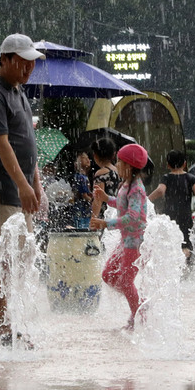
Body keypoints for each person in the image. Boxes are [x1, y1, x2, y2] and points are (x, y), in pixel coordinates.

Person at [0, 33, 45, 347]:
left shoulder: (20, 93)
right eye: (22, 62)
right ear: (4, 59)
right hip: (1, 185)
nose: (28, 69)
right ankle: (4, 328)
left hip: (20, 186)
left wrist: (36, 184)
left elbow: (28, 142)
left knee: (20, 257)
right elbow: (1, 145)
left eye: (31, 63)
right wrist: (22, 184)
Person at [91, 143, 150, 331]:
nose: (117, 165)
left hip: (136, 242)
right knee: (108, 275)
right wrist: (107, 198)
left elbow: (132, 217)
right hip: (126, 241)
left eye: (120, 162)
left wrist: (105, 224)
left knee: (125, 281)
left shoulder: (137, 189)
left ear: (130, 166)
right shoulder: (126, 184)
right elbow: (122, 204)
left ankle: (139, 317)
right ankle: (138, 302)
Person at [148, 149, 195, 261]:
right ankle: (185, 261)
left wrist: (147, 200)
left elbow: (160, 191)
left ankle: (173, 262)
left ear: (168, 165)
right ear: (184, 164)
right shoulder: (190, 177)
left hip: (170, 214)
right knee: (185, 242)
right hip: (185, 215)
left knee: (170, 240)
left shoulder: (166, 178)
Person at [90, 137, 121, 221]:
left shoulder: (101, 173)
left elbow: (98, 199)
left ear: (95, 155)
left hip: (104, 216)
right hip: (116, 213)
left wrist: (93, 219)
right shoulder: (118, 171)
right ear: (113, 154)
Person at [71, 151, 93, 229]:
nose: (88, 160)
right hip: (82, 210)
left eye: (88, 158)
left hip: (82, 210)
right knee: (82, 230)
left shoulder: (82, 176)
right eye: (84, 158)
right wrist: (92, 201)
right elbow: (84, 195)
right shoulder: (81, 177)